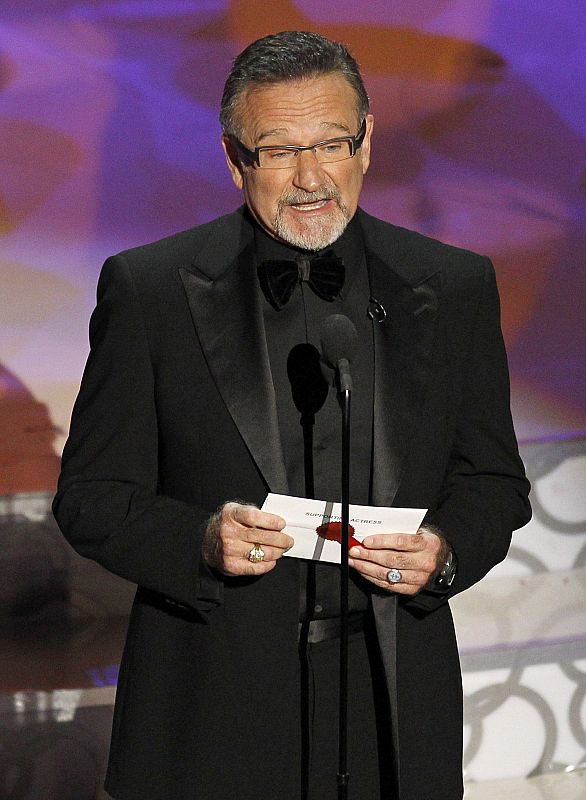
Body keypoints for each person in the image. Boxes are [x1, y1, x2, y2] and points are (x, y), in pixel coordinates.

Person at [53, 30, 531, 800]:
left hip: (392, 704)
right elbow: (91, 496)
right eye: (278, 151)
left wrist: (443, 550)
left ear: (366, 142)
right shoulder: (151, 291)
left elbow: (492, 482)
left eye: (332, 144)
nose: (311, 178)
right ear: (234, 157)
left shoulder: (453, 286)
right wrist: (200, 540)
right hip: (214, 704)